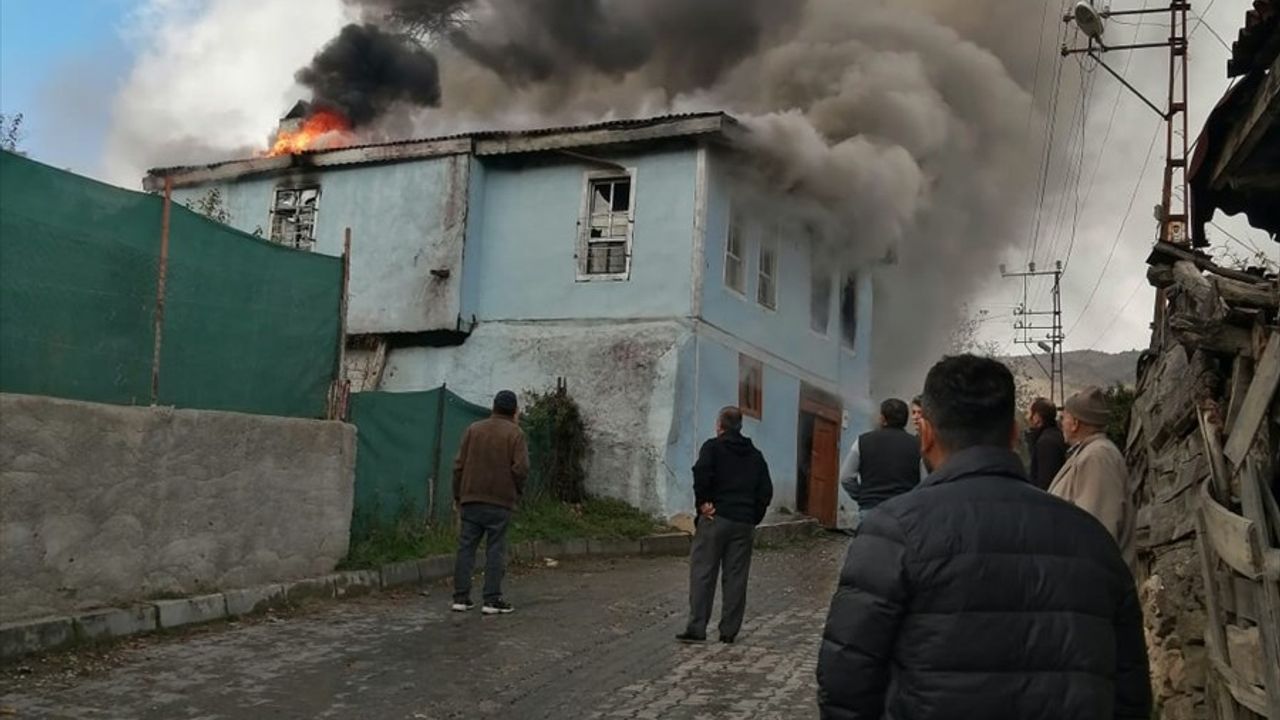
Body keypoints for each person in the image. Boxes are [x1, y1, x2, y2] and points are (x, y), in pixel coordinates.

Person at [817, 355, 1150, 720]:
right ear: (1011, 434)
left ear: (926, 434)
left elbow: (846, 681)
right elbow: (1130, 689)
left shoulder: (892, 531)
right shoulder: (1092, 540)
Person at [676, 406, 773, 645]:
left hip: (715, 519)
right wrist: (753, 516)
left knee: (703, 574)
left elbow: (701, 473)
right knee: (736, 577)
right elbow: (765, 491)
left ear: (720, 425)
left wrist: (703, 504)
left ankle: (697, 628)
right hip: (743, 523)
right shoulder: (756, 455)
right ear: (740, 426)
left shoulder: (712, 448)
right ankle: (729, 632)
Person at [451, 390, 529, 615]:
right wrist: (517, 490)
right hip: (500, 501)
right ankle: (491, 599)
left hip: (471, 498)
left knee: (466, 548)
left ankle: (461, 597)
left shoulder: (473, 429)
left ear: (493, 407)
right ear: (515, 411)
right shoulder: (516, 434)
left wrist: (458, 495)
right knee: (495, 549)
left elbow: (458, 466)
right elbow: (521, 468)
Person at [1049, 386, 1136, 571]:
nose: (1061, 422)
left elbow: (1096, 528)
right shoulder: (1089, 453)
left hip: (1092, 585)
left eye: (1064, 417)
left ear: (1075, 423)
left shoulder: (1097, 457)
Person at [838, 399, 923, 528]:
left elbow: (846, 477)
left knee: (868, 546)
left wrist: (862, 496)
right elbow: (924, 482)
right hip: (904, 512)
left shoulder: (862, 441)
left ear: (882, 418)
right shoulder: (918, 446)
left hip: (871, 509)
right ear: (906, 420)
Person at [1025, 396, 1067, 490]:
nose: (1026, 417)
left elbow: (1045, 486)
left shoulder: (1047, 444)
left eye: (1029, 413)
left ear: (1037, 417)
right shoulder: (1054, 437)